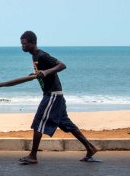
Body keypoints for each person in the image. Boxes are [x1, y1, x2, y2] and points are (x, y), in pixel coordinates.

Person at [18, 30, 99, 165]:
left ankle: (33, 155)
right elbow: (44, 72)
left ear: (33, 43)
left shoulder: (42, 55)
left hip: (52, 95)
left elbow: (62, 65)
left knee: (39, 122)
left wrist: (46, 72)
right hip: (55, 96)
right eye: (22, 44)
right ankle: (90, 148)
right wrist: (35, 74)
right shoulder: (34, 56)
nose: (23, 47)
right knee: (66, 123)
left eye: (25, 44)